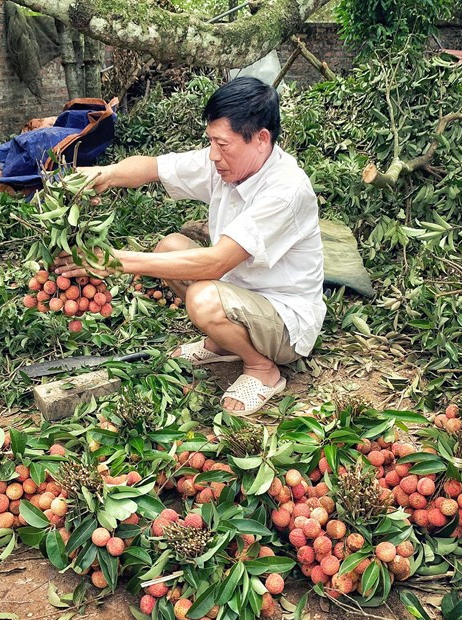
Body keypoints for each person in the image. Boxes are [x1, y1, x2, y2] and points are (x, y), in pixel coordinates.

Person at [55, 76, 325, 416]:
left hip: (284, 321)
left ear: (261, 140)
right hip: (240, 293)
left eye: (222, 144)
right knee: (169, 247)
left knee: (203, 298)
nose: (213, 155)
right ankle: (221, 343)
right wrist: (103, 175)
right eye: (210, 141)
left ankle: (261, 368)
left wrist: (114, 261)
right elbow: (153, 167)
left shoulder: (285, 190)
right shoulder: (226, 162)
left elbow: (216, 263)